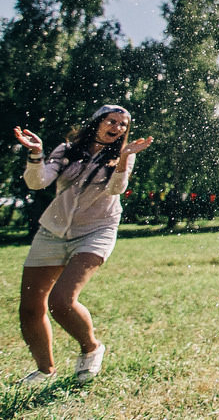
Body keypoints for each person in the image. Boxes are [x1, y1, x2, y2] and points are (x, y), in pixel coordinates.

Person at [14, 105, 153, 385]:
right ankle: (45, 371)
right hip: (53, 230)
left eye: (124, 125)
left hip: (96, 230)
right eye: (112, 121)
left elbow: (116, 189)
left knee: (61, 301)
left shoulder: (122, 155)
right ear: (97, 122)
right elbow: (37, 181)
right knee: (30, 307)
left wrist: (125, 159)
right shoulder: (66, 150)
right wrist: (36, 154)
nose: (118, 128)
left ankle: (91, 348)